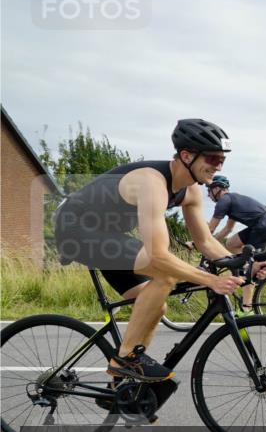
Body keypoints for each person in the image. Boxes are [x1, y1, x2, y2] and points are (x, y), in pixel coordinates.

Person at [54, 119, 245, 416]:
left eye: (221, 160)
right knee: (164, 273)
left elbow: (206, 242)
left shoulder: (191, 191)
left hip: (108, 236)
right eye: (212, 158)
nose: (217, 166)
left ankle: (121, 389)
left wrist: (242, 266)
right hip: (75, 229)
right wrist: (211, 280)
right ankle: (126, 359)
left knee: (157, 302)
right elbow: (158, 255)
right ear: (186, 155)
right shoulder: (152, 182)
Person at [202, 174, 266, 310]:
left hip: (262, 226)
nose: (208, 195)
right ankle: (247, 266)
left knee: (249, 269)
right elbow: (227, 229)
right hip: (264, 224)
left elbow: (211, 228)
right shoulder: (231, 200)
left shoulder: (223, 201)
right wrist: (211, 242)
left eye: (209, 190)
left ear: (216, 189)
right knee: (231, 243)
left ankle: (246, 309)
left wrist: (197, 242)